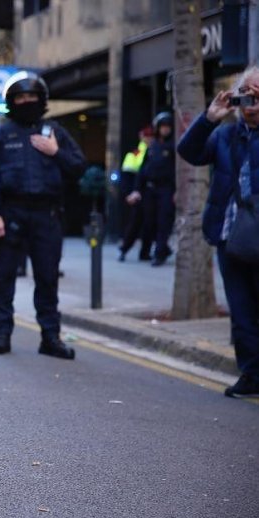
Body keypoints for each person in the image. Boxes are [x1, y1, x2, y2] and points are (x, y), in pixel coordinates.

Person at [0, 71, 86, 359]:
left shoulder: (55, 132)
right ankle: (2, 334)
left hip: (47, 214)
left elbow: (78, 167)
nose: (26, 101)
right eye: (20, 97)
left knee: (48, 277)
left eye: (32, 97)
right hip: (11, 213)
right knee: (4, 277)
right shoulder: (1, 136)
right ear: (11, 102)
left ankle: (50, 338)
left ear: (42, 100)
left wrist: (55, 152)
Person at [176, 66, 259, 398]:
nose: (252, 103)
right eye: (247, 94)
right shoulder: (226, 134)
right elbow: (189, 152)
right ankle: (252, 374)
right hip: (230, 237)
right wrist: (210, 117)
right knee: (241, 312)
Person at [137, 111, 176, 266]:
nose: (165, 130)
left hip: (166, 189)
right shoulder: (153, 146)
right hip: (150, 189)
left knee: (163, 222)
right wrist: (137, 189)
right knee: (149, 222)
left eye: (168, 127)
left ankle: (159, 253)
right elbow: (142, 170)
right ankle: (158, 249)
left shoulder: (173, 146)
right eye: (163, 127)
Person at [118, 126, 154, 262]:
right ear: (141, 136)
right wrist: (128, 193)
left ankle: (144, 252)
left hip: (150, 192)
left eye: (151, 136)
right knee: (135, 223)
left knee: (149, 225)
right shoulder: (135, 153)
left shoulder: (155, 150)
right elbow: (126, 177)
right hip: (137, 193)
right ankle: (125, 248)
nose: (149, 139)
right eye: (147, 136)